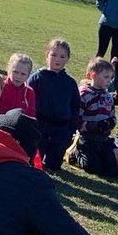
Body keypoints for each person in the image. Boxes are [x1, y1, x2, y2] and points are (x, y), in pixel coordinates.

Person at [29, 38, 80, 172]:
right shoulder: (37, 77)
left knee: (54, 165)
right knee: (35, 162)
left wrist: (72, 128)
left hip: (61, 128)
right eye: (54, 55)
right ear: (47, 55)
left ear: (67, 59)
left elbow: (75, 106)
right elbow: (27, 98)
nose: (58, 59)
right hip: (39, 125)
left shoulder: (70, 83)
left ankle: (53, 160)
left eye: (62, 56)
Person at [73, 58, 118, 177]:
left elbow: (113, 116)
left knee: (112, 171)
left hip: (103, 139)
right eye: (106, 77)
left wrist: (110, 123)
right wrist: (94, 126)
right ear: (93, 75)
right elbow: (76, 119)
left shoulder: (108, 96)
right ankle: (75, 153)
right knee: (93, 169)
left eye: (111, 77)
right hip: (87, 138)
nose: (109, 80)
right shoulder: (84, 94)